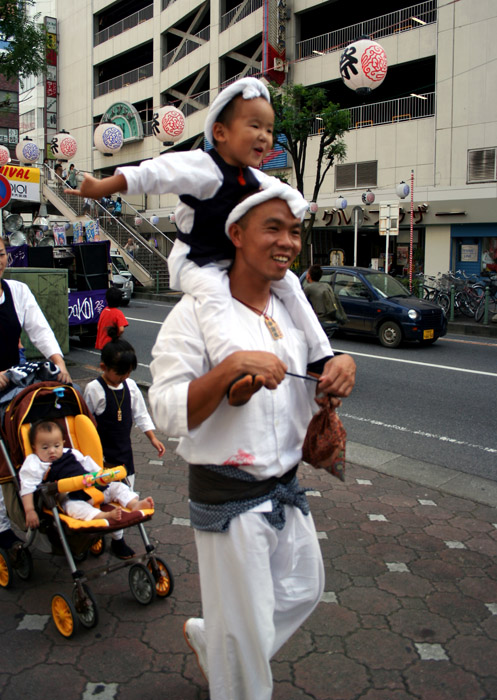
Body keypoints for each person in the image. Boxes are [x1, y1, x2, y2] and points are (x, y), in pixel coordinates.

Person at [148, 183, 356, 700]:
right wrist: (231, 370)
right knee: (245, 667)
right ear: (236, 233)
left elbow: (304, 390)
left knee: (304, 587)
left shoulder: (289, 310)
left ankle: (216, 642)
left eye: (294, 230)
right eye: (273, 228)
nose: (288, 242)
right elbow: (166, 410)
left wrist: (339, 371)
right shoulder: (195, 314)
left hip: (285, 489)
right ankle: (232, 664)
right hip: (230, 497)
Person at [67, 77, 332, 378]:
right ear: (220, 132)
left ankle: (320, 355)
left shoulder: (258, 180)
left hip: (236, 261)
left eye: (269, 130)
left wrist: (300, 208)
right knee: (215, 296)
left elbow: (289, 197)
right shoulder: (202, 167)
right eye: (254, 126)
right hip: (198, 261)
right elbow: (155, 173)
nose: (265, 137)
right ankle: (233, 368)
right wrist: (102, 186)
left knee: (290, 284)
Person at [0, 233, 71, 551]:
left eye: (0, 254)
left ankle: (47, 511)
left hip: (14, 388)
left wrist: (58, 362)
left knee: (33, 450)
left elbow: (39, 328)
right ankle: (1, 529)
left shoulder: (18, 291)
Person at [84, 333, 165, 558]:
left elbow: (140, 413)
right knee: (100, 495)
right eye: (120, 373)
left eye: (128, 373)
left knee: (126, 496)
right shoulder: (94, 389)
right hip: (100, 458)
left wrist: (152, 438)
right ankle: (98, 531)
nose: (124, 377)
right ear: (103, 367)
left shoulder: (130, 386)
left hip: (124, 455)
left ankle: (118, 540)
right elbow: (86, 422)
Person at [19, 420, 154, 528]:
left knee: (117, 487)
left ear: (63, 443)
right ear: (34, 447)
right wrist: (30, 510)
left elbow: (89, 465)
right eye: (45, 447)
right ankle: (103, 515)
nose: (52, 451)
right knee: (74, 508)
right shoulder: (35, 462)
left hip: (94, 487)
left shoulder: (72, 453)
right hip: (70, 495)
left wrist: (102, 476)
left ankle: (134, 503)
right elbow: (27, 486)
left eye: (56, 445)